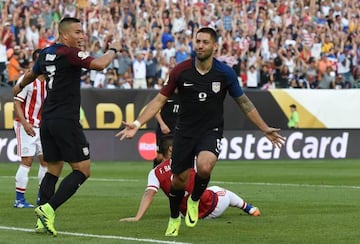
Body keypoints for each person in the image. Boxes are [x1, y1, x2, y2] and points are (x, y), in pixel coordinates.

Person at [116, 27, 285, 237]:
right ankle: (174, 218)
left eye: (205, 42)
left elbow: (245, 103)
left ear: (215, 46)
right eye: (198, 41)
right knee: (179, 180)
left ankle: (194, 200)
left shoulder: (225, 73)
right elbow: (159, 100)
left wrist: (264, 128)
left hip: (211, 130)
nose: (200, 45)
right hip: (184, 132)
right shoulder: (180, 71)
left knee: (205, 167)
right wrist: (137, 122)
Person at [13, 17, 122, 237]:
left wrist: (18, 86)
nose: (82, 36)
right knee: (82, 170)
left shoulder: (45, 53)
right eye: (78, 32)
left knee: (53, 169)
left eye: (83, 32)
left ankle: (41, 221)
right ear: (65, 35)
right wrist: (113, 49)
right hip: (66, 120)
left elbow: (32, 75)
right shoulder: (69, 54)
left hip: (48, 121)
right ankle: (49, 208)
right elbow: (100, 64)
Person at [120, 137, 260, 222]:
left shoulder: (154, 173)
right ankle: (249, 208)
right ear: (171, 149)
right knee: (220, 191)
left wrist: (137, 217)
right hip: (212, 208)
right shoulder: (189, 159)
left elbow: (149, 194)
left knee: (181, 200)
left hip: (186, 215)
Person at [13, 49, 47, 209]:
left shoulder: (49, 81)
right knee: (27, 161)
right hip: (25, 124)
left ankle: (42, 197)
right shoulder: (27, 79)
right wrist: (25, 123)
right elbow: (17, 102)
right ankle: (19, 199)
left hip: (41, 126)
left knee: (46, 161)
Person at [152, 94, 180, 168]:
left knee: (171, 155)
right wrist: (162, 124)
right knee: (160, 157)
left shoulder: (184, 96)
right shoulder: (167, 95)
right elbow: (155, 110)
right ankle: (155, 173)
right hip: (164, 130)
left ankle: (170, 176)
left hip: (177, 130)